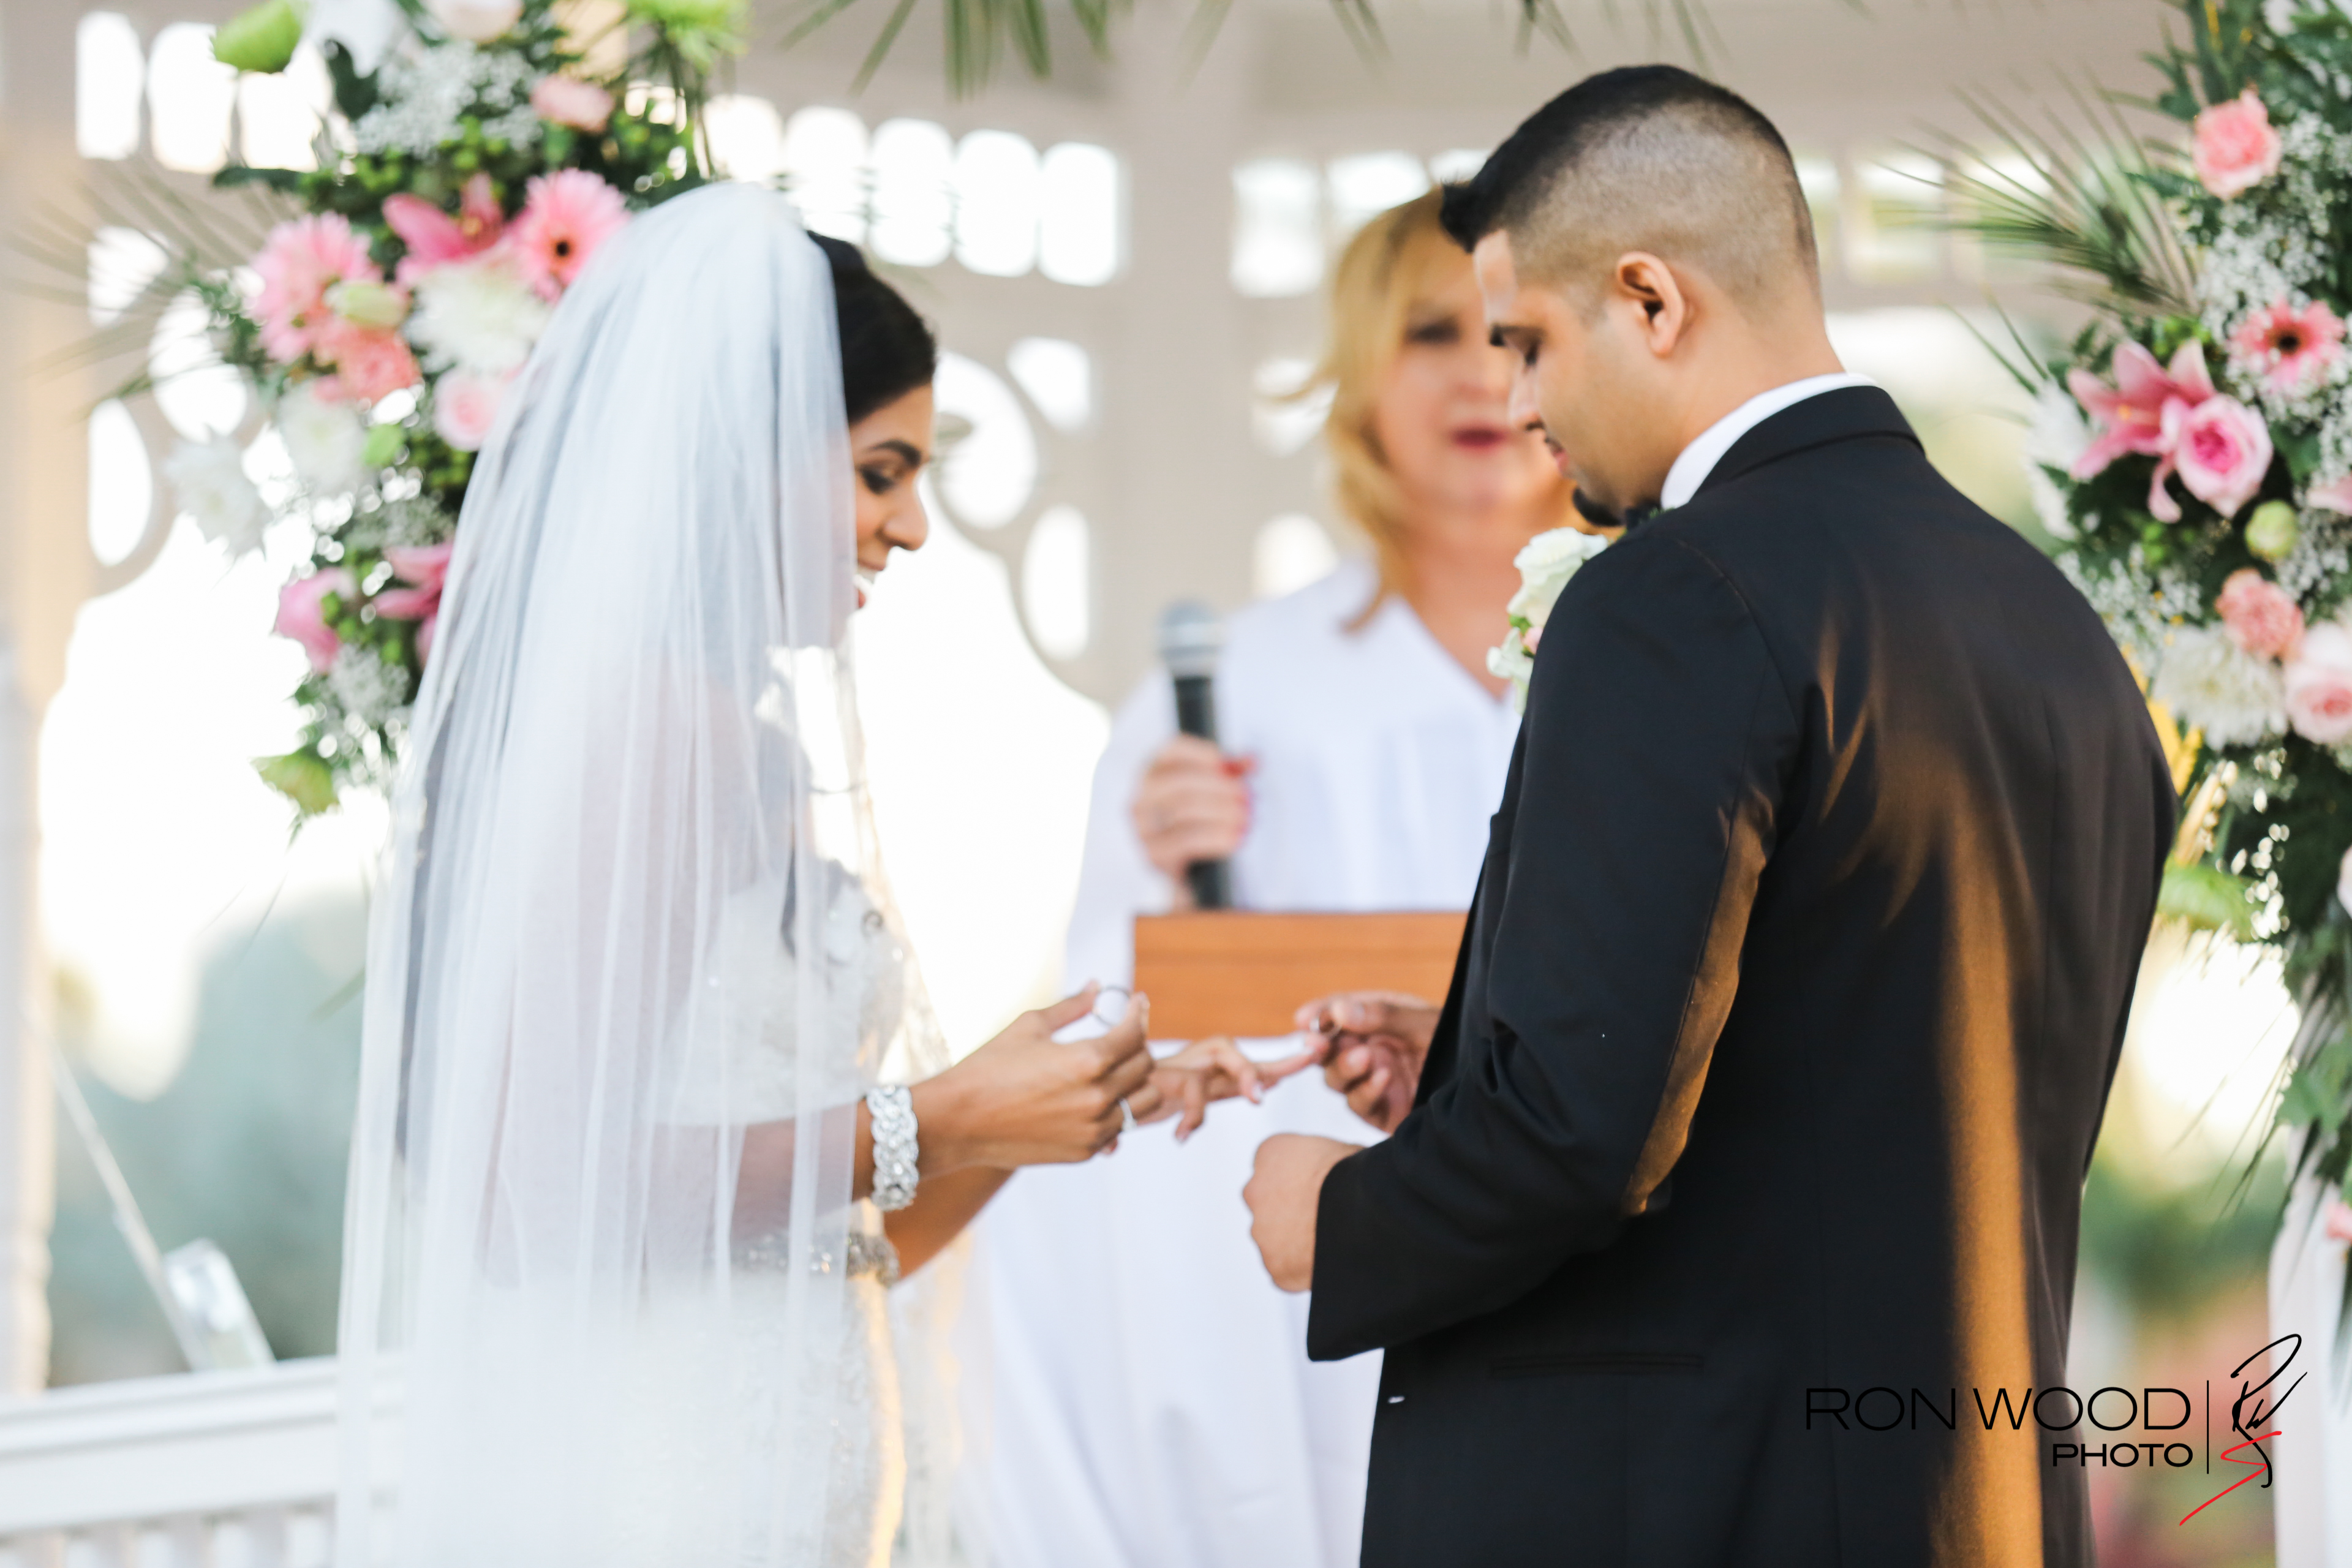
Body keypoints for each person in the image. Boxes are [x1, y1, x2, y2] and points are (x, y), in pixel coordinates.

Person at [1241, 66, 2176, 1567]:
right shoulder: (2057, 630)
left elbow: (1582, 1142)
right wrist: (1489, 1045)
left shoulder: (1675, 595)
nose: (1522, 403)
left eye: (1529, 343)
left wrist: (1339, 1211)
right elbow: (1885, 1077)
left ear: (1651, 300)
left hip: (1698, 1503)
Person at [334, 183, 1272, 1568]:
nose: (911, 528)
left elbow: (826, 1224)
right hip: (663, 1487)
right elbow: (529, 1193)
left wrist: (1029, 1114)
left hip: (787, 1483)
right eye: (881, 470)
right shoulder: (659, 731)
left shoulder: (738, 743)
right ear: (747, 450)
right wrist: (935, 1108)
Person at [977, 189, 1580, 1568]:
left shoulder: (1671, 660)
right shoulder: (1231, 690)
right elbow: (1123, 1029)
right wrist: (1168, 871)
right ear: (1361, 380)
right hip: (1300, 1282)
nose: (1481, 372)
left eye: (1512, 332)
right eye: (1432, 331)